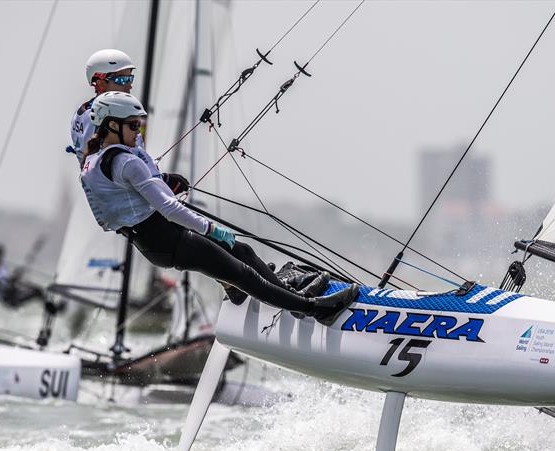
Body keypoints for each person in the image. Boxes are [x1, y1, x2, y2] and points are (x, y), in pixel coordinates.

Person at [79, 91, 358, 325]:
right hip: (167, 241)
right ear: (111, 125)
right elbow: (169, 208)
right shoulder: (127, 162)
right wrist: (212, 230)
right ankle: (313, 309)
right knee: (243, 274)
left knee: (243, 251)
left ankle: (278, 294)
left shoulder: (93, 160)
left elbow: (122, 202)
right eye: (133, 126)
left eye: (139, 125)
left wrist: (163, 182)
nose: (138, 132)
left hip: (157, 239)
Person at [70, 49, 189, 193]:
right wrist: (160, 182)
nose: (129, 85)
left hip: (120, 194)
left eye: (130, 78)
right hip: (127, 199)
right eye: (122, 80)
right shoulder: (101, 116)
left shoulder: (83, 113)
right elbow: (113, 164)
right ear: (100, 83)